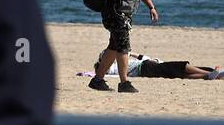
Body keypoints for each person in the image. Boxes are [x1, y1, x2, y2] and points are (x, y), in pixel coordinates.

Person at [94, 53, 222, 80]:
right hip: (145, 68)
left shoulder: (119, 62)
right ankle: (208, 74)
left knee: (179, 74)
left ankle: (212, 75)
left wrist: (130, 52)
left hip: (149, 65)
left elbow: (142, 57)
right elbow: (106, 72)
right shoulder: (112, 69)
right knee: (180, 66)